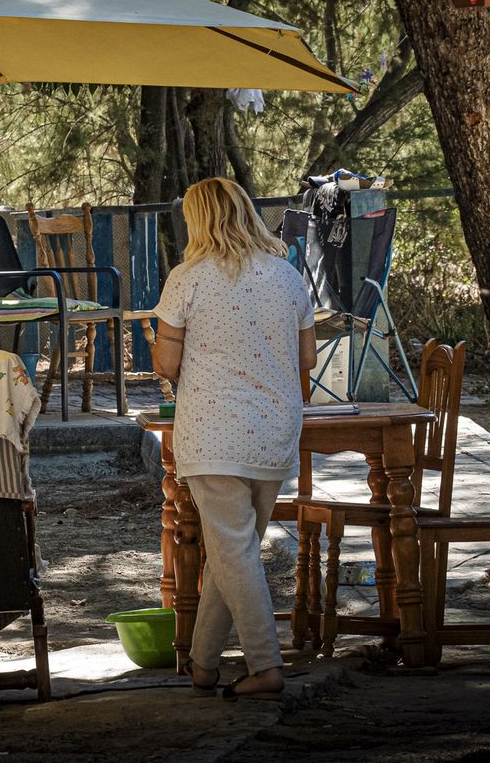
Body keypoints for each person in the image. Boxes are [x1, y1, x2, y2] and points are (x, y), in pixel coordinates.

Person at [152, 177, 316, 700]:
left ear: (199, 221)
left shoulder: (188, 278)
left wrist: (160, 342)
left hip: (213, 432)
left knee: (234, 551)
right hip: (275, 431)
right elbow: (307, 360)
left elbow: (168, 363)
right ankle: (203, 664)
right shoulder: (289, 277)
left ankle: (265, 666)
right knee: (234, 551)